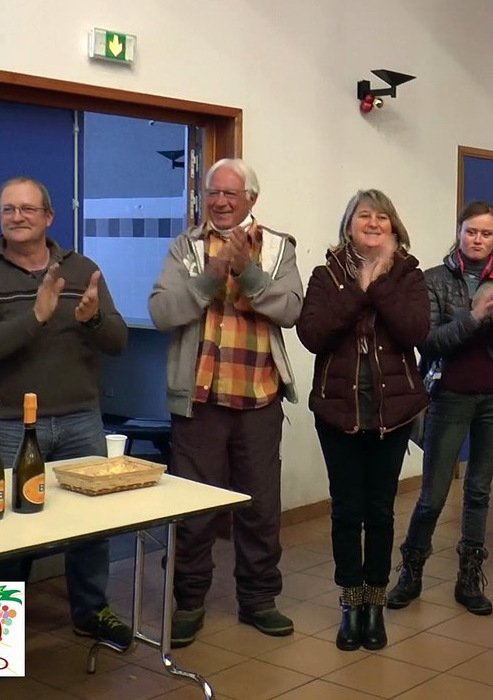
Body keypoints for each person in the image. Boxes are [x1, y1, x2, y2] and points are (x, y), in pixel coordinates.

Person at [0, 176, 132, 648]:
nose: (17, 217)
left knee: (91, 524)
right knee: (2, 531)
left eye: (28, 209)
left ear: (49, 217)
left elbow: (118, 341)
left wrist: (93, 319)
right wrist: (34, 317)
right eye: (8, 209)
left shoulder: (83, 269)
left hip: (80, 420)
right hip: (9, 425)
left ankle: (91, 612)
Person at [148, 158, 303, 645]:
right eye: (213, 192)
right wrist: (211, 276)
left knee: (260, 509)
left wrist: (248, 274)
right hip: (199, 402)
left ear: (251, 199)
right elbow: (161, 312)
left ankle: (259, 600)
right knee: (193, 511)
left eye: (230, 194)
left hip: (259, 399)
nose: (219, 202)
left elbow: (291, 309)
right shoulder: (186, 247)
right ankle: (189, 603)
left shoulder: (277, 247)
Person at [296, 190, 429, 651]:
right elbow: (312, 334)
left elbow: (416, 331)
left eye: (382, 217)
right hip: (338, 411)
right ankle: (351, 603)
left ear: (394, 227)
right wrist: (358, 288)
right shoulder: (326, 274)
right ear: (348, 226)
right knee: (347, 509)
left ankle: (375, 604)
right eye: (364, 216)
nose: (373, 223)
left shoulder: (410, 274)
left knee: (380, 510)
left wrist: (381, 284)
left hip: (393, 413)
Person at [388, 201, 493, 616]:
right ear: (459, 232)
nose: (478, 240)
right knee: (433, 495)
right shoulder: (434, 279)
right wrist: (474, 317)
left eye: (486, 234)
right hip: (448, 396)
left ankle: (468, 578)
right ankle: (411, 571)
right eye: (471, 232)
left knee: (479, 490)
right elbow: (429, 342)